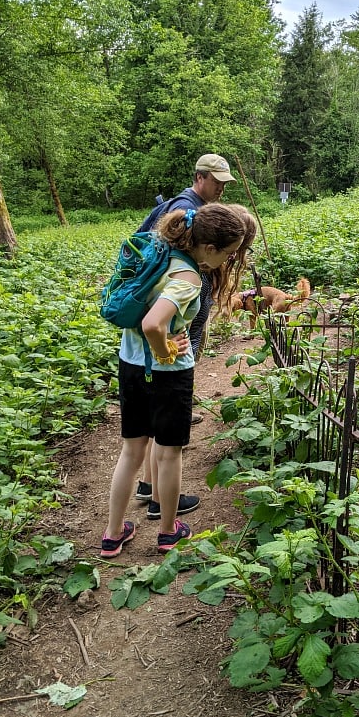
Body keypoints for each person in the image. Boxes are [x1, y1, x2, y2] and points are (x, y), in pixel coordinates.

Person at [101, 203, 257, 557]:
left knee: (131, 451)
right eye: (229, 254)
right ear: (210, 249)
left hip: (129, 363)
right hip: (167, 375)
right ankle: (169, 531)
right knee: (169, 454)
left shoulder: (159, 251)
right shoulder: (187, 278)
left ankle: (113, 534)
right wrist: (167, 349)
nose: (229, 261)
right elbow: (153, 324)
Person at [134, 154, 237, 512]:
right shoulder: (185, 206)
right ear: (199, 177)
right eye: (216, 180)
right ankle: (160, 499)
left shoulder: (198, 206)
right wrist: (164, 350)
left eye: (225, 181)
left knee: (158, 423)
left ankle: (150, 489)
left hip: (161, 333)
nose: (221, 187)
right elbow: (163, 281)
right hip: (169, 334)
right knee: (166, 426)